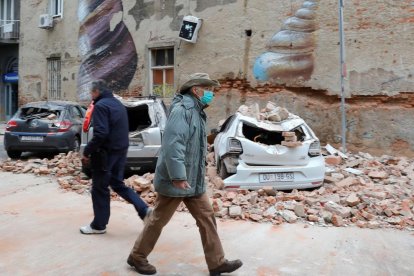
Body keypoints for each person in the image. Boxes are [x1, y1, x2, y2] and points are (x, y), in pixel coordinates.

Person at [127, 73, 243, 275]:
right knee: (158, 220)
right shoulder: (182, 111)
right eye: (209, 90)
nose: (211, 94)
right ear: (196, 90)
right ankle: (137, 257)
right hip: (177, 179)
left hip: (192, 180)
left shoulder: (196, 111)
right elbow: (174, 146)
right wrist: (178, 177)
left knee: (207, 217)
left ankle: (217, 263)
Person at [80, 80, 151, 234]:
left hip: (105, 154)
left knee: (99, 188)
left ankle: (99, 226)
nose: (91, 96)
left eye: (92, 93)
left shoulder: (100, 106)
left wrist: (87, 151)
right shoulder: (118, 105)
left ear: (97, 91)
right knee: (118, 184)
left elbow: (101, 133)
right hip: (121, 151)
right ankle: (144, 210)